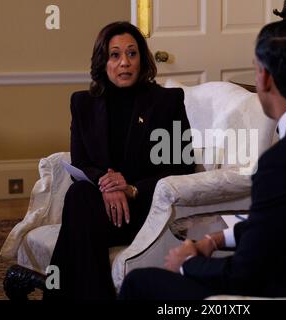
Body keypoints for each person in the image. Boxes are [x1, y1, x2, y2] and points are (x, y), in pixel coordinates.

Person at [118, 19, 286, 299]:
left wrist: (189, 264)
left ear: (265, 78)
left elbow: (244, 276)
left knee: (140, 283)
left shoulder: (280, 161)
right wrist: (217, 239)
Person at [43, 21, 195, 300]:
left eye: (132, 53)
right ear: (103, 61)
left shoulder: (166, 101)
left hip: (144, 209)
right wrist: (108, 186)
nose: (124, 62)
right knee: (80, 194)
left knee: (78, 210)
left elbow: (181, 166)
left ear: (142, 58)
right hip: (100, 206)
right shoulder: (83, 103)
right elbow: (82, 162)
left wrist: (131, 189)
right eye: (115, 55)